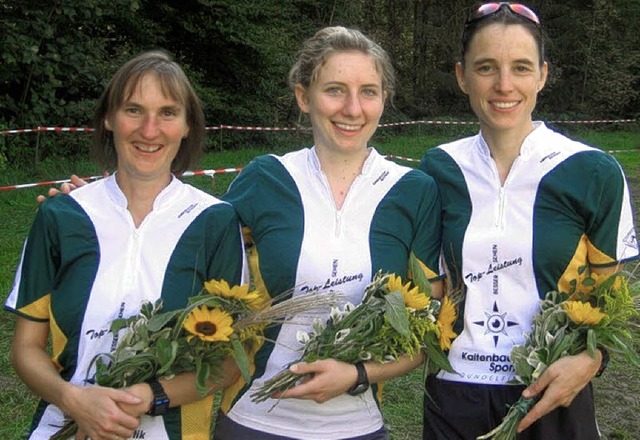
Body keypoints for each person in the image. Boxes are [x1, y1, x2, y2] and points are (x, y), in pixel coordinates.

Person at [419, 3, 639, 439]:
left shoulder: (593, 171)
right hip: (454, 395)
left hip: (553, 393)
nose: (504, 85)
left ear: (542, 75)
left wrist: (593, 359)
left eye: (521, 68)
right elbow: (428, 289)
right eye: (486, 67)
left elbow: (610, 301)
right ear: (462, 75)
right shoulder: (436, 168)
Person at [212, 26, 443, 439]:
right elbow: (179, 239)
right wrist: (105, 204)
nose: (353, 108)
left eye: (369, 92)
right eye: (335, 90)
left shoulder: (415, 191)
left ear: (383, 100)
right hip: (255, 419)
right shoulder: (266, 178)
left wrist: (357, 374)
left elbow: (427, 335)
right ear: (304, 97)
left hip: (358, 426)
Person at [6, 51, 244, 440]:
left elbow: (226, 362)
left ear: (187, 126)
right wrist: (73, 400)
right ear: (108, 118)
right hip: (64, 427)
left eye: (167, 113)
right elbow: (25, 348)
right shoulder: (61, 216)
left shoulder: (215, 221)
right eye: (134, 110)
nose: (149, 130)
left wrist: (148, 397)